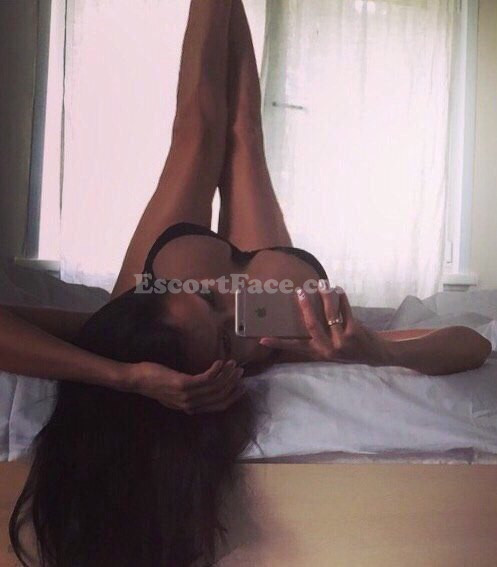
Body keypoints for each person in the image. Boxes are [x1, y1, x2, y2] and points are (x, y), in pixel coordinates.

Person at [2, 1, 491, 565]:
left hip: (166, 275)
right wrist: (375, 350)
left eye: (204, 297)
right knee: (244, 137)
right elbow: (474, 345)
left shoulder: (120, 328)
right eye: (225, 331)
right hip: (255, 295)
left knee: (196, 132)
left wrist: (125, 376)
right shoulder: (277, 343)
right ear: (223, 371)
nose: (231, 299)